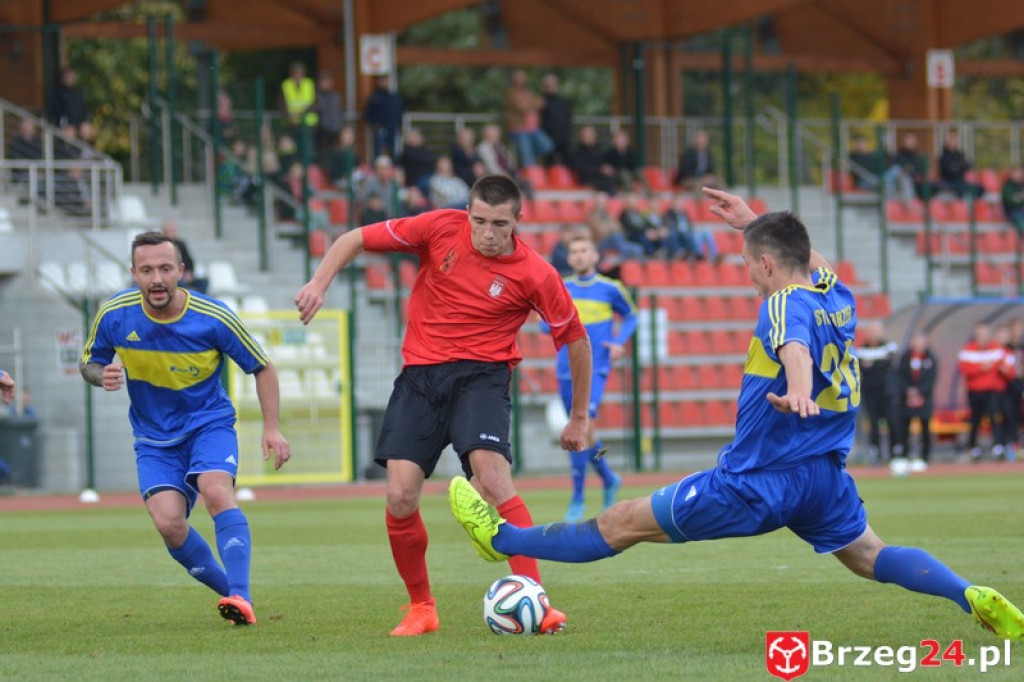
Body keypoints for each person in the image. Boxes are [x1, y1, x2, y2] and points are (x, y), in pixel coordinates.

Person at [449, 186, 1024, 642]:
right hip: (823, 477)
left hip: (753, 482)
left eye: (750, 263)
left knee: (622, 523)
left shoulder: (781, 304)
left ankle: (501, 538)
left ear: (769, 265)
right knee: (871, 556)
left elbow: (792, 344)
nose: (747, 274)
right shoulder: (838, 297)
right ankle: (966, 593)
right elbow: (812, 263)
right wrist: (753, 219)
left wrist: (798, 388)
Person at [294, 174, 592, 637]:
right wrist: (318, 282)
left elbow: (575, 339)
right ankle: (421, 608)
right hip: (420, 378)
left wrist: (578, 416)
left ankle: (536, 599)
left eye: (498, 223)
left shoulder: (537, 273)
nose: (487, 233)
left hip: (483, 376)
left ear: (518, 220)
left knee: (493, 478)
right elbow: (354, 237)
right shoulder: (438, 227)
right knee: (399, 495)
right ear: (467, 213)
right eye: (479, 221)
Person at [80, 231, 291, 625]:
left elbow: (262, 366)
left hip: (207, 424)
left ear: (181, 270)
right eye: (146, 270)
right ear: (133, 273)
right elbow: (90, 362)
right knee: (170, 525)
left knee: (215, 491)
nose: (156, 279)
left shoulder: (214, 317)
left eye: (164, 268)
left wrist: (272, 428)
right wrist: (101, 375)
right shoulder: (114, 314)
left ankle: (242, 596)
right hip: (153, 438)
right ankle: (232, 596)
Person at [540, 233, 636, 521]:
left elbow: (631, 316)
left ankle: (578, 497)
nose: (580, 256)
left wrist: (619, 341)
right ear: (569, 258)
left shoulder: (611, 288)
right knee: (582, 431)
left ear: (595, 256)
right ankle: (607, 477)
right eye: (575, 251)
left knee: (582, 424)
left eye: (585, 250)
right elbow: (547, 326)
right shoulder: (561, 288)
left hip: (597, 367)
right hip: (565, 368)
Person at [958, 321, 1010, 461]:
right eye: (980, 334)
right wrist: (982, 368)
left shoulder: (996, 349)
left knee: (994, 417)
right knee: (975, 420)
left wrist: (1002, 370)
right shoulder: (968, 349)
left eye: (985, 333)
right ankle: (974, 448)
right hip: (975, 391)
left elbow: (1007, 369)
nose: (983, 337)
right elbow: (965, 369)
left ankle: (998, 447)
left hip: (993, 391)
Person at [894, 332, 938, 471]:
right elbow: (900, 377)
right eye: (916, 341)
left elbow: (931, 379)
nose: (918, 345)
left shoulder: (931, 359)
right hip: (906, 399)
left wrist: (920, 392)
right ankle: (905, 455)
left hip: (924, 399)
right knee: (905, 428)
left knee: (925, 427)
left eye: (921, 341)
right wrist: (909, 391)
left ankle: (925, 457)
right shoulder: (905, 358)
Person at [857, 321, 900, 463]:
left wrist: (872, 365)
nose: (873, 334)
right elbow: (861, 366)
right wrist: (877, 365)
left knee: (892, 421)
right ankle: (875, 451)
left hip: (888, 391)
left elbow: (889, 362)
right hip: (870, 392)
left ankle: (895, 450)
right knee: (873, 423)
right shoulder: (861, 349)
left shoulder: (890, 346)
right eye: (871, 331)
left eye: (876, 331)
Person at [503, 69, 553, 168]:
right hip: (519, 129)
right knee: (528, 160)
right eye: (518, 78)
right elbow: (521, 106)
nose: (521, 80)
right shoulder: (511, 93)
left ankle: (530, 153)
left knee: (548, 146)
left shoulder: (528, 91)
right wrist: (532, 103)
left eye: (522, 77)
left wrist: (530, 103)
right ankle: (530, 180)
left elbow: (542, 103)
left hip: (533, 128)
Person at [364, 75, 403, 160]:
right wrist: (375, 124)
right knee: (378, 151)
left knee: (393, 151)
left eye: (385, 80)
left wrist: (398, 125)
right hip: (379, 128)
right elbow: (368, 113)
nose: (384, 83)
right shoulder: (374, 97)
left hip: (392, 128)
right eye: (381, 81)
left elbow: (399, 112)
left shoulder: (394, 97)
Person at [162, 220, 207, 294]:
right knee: (181, 285)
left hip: (185, 275)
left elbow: (189, 260)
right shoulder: (161, 247)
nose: (172, 233)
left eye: (173, 231)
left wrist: (189, 273)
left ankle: (200, 299)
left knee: (204, 281)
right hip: (174, 277)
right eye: (170, 231)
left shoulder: (181, 244)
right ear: (165, 232)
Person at [936, 130, 983, 200]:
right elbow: (948, 171)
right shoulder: (944, 156)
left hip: (961, 181)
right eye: (951, 140)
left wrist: (957, 166)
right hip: (949, 182)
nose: (953, 142)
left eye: (955, 140)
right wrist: (959, 167)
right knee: (962, 191)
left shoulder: (960, 154)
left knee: (980, 188)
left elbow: (966, 165)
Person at [540, 73, 573, 167]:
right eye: (548, 85)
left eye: (552, 85)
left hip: (563, 138)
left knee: (566, 164)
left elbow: (568, 118)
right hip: (549, 137)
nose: (550, 87)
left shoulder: (563, 101)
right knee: (550, 164)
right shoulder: (542, 102)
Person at [50, 67, 90, 139]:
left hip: (78, 124)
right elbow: (57, 113)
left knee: (86, 129)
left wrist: (85, 121)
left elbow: (83, 110)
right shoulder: (58, 94)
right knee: (69, 132)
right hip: (65, 125)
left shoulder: (78, 93)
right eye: (68, 77)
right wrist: (65, 125)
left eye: (72, 77)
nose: (71, 79)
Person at [279, 62, 318, 135]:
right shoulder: (286, 85)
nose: (297, 75)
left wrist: (303, 112)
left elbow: (315, 102)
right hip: (291, 123)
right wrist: (288, 116)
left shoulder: (309, 84)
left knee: (307, 145)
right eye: (295, 73)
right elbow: (282, 104)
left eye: (299, 72)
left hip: (308, 123)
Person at [313, 70, 344, 160]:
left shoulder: (336, 96)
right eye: (323, 81)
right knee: (323, 155)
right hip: (322, 131)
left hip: (335, 130)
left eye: (327, 81)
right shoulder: (316, 96)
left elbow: (340, 112)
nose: (325, 83)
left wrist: (340, 127)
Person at [1001, 167, 1024, 236]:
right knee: (1020, 222)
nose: (1020, 175)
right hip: (1013, 212)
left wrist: (1019, 197)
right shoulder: (1008, 186)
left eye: (1021, 173)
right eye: (1018, 173)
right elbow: (1010, 202)